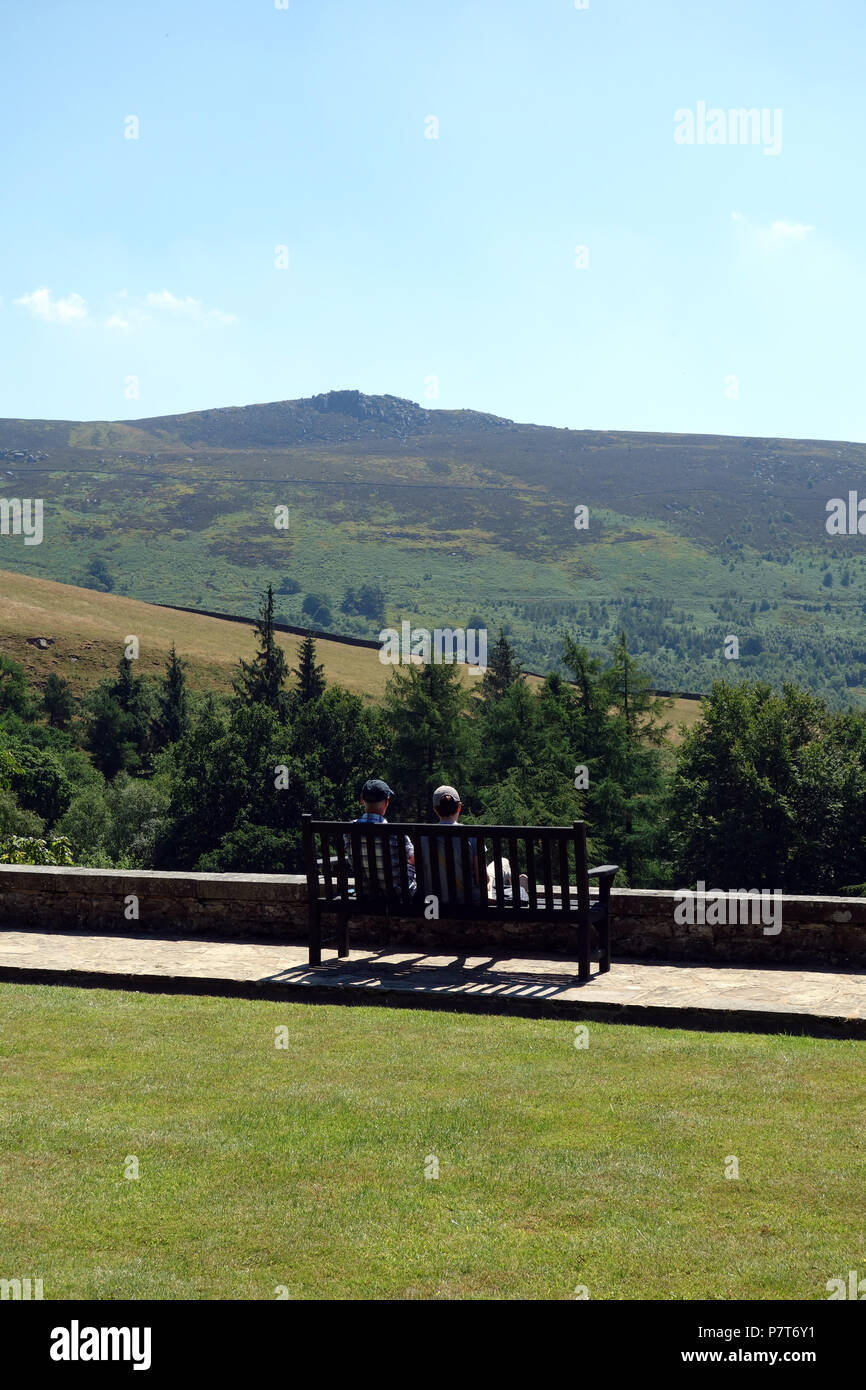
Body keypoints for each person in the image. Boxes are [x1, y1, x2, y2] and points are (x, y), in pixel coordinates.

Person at [344, 778, 415, 898]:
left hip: (366, 895)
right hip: (397, 896)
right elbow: (414, 860)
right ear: (387, 802)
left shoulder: (349, 832)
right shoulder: (397, 834)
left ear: (362, 800)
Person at [419, 786, 484, 905]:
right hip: (468, 905)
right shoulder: (472, 836)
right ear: (459, 807)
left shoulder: (423, 838)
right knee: (503, 862)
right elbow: (482, 880)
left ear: (435, 810)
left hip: (434, 906)